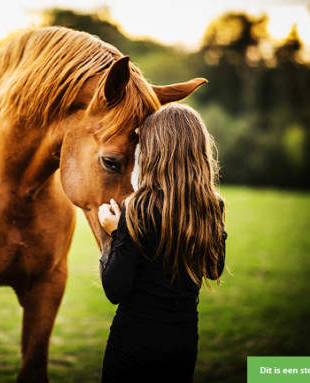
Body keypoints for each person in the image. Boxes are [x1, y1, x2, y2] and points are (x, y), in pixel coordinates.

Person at [97, 103, 227, 383]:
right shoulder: (211, 206)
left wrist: (115, 231)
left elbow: (115, 289)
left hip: (133, 344)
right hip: (183, 343)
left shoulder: (138, 208)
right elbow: (214, 269)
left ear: (155, 152)